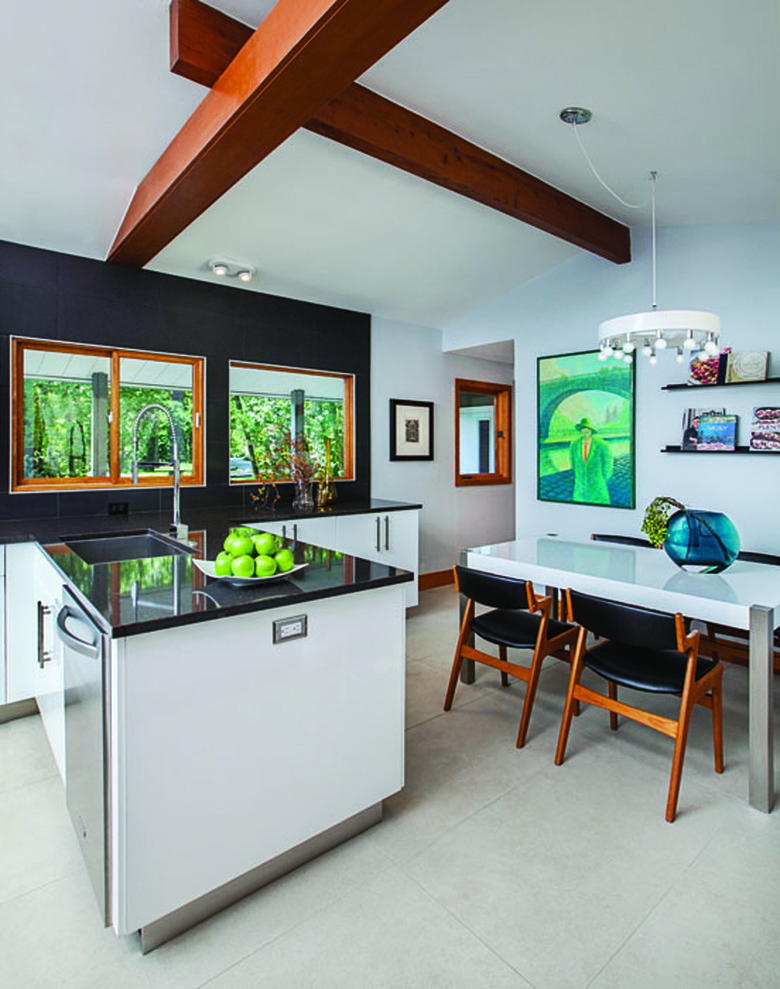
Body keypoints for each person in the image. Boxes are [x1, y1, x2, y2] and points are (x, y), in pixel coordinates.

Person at [569, 417, 613, 504]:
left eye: (586, 432)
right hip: (580, 486)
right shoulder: (574, 444)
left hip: (597, 485)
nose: (584, 434)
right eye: (582, 431)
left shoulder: (602, 445)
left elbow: (608, 465)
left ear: (591, 431)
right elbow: (573, 462)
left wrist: (601, 480)